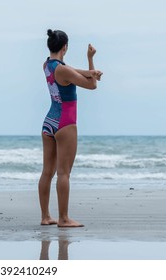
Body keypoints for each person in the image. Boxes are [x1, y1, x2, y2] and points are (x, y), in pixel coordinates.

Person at [38, 29, 102, 227]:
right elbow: (92, 86)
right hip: (65, 123)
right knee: (63, 173)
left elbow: (73, 71)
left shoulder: (47, 65)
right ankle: (64, 218)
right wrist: (91, 60)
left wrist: (90, 72)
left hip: (49, 122)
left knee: (47, 172)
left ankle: (45, 216)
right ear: (65, 47)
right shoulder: (63, 70)